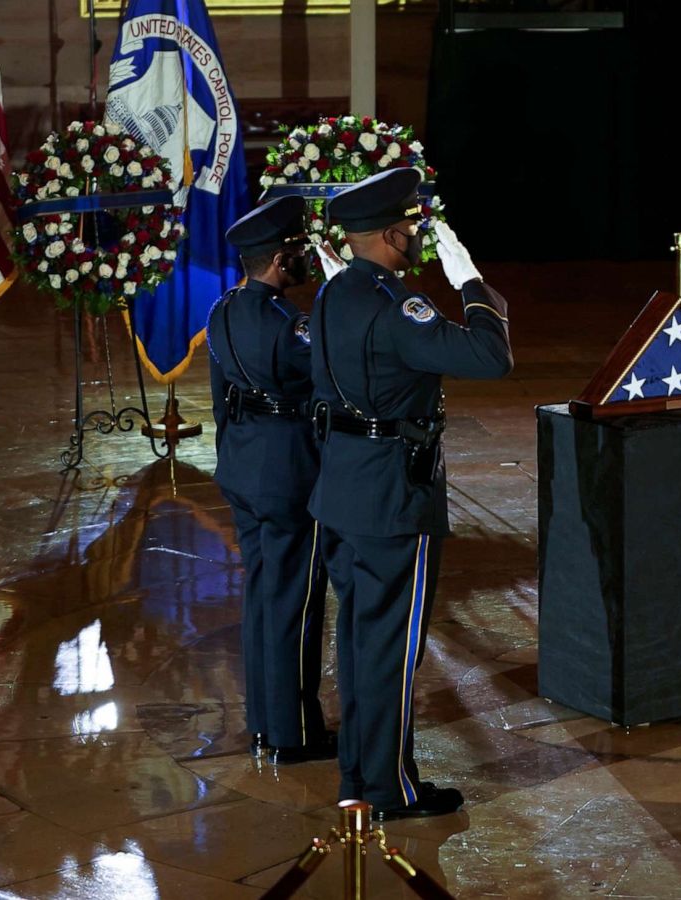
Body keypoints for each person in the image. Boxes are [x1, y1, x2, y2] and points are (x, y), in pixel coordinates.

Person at [309, 167, 513, 821]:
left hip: (340, 488)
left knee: (361, 642)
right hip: (393, 498)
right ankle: (390, 789)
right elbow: (491, 356)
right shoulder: (398, 307)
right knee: (391, 649)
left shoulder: (332, 293)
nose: (420, 238)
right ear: (395, 232)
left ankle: (358, 775)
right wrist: (472, 285)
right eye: (415, 227)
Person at [207, 195, 334, 764]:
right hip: (288, 472)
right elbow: (330, 388)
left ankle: (263, 721)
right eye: (299, 253)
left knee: (262, 597)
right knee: (296, 603)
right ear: (282, 260)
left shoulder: (221, 311)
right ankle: (294, 732)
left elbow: (220, 402)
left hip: (242, 466)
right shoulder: (292, 326)